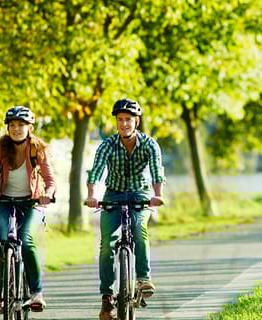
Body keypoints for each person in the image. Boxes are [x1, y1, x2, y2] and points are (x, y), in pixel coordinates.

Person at [0, 106, 56, 314]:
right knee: (3, 242)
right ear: (8, 128)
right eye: (12, 125)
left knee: (26, 240)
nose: (16, 129)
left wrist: (48, 193)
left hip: (33, 202)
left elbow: (50, 180)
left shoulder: (38, 149)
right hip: (6, 202)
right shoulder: (1, 146)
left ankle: (36, 293)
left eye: (21, 125)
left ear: (30, 128)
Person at [84, 98, 165, 320]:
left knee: (139, 229)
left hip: (140, 194)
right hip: (113, 194)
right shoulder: (108, 144)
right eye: (120, 120)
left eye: (128, 120)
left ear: (136, 122)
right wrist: (92, 195)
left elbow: (157, 171)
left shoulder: (149, 144)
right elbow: (96, 170)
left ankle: (143, 279)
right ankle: (107, 298)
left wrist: (157, 195)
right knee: (107, 243)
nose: (124, 124)